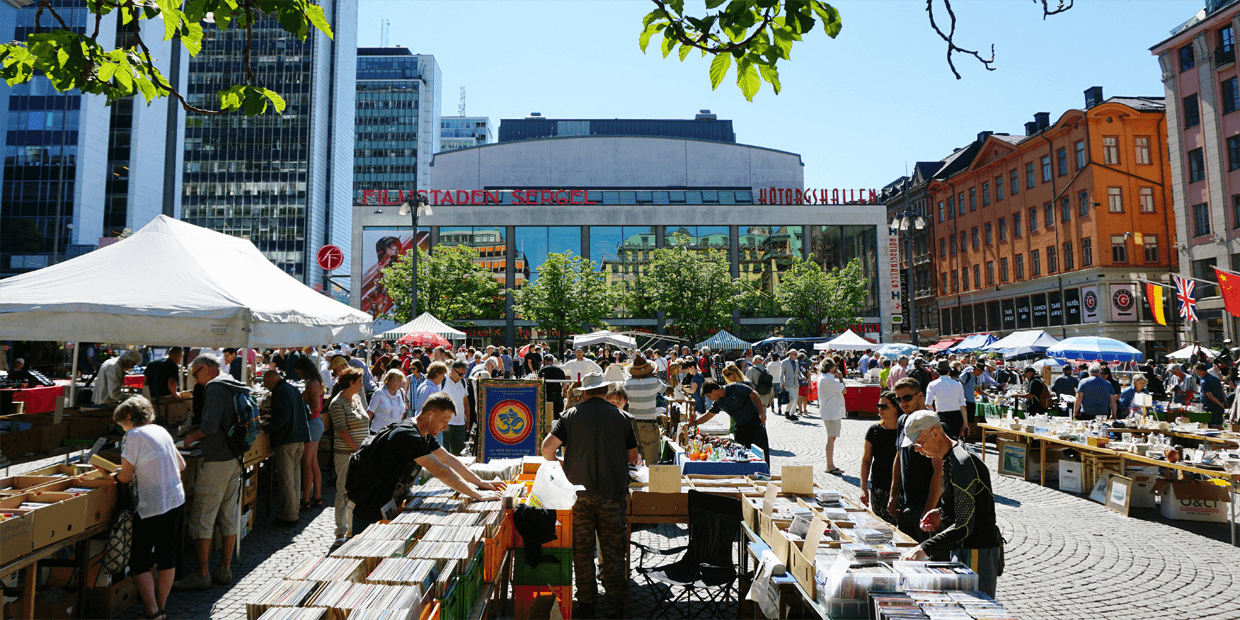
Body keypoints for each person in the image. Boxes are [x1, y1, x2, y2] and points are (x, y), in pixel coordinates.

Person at [541, 372, 639, 620]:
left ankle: (586, 604)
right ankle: (615, 607)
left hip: (579, 495)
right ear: (605, 391)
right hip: (612, 494)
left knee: (582, 553)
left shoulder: (569, 416)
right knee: (614, 552)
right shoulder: (623, 417)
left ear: (583, 392)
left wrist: (562, 462)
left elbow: (546, 449)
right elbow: (632, 458)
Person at [349, 393, 504, 536]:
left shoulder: (425, 435)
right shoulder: (408, 435)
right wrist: (477, 495)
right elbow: (440, 470)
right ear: (431, 414)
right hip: (370, 512)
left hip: (387, 508)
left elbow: (448, 459)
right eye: (444, 421)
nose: (445, 427)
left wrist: (481, 483)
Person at [899, 410, 1002, 597]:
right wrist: (942, 511)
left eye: (919, 443)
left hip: (977, 548)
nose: (916, 449)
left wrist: (924, 548)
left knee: (976, 607)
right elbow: (968, 504)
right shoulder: (950, 458)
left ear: (935, 433)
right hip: (965, 547)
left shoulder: (961, 463)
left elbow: (963, 526)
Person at [174, 353, 249, 591]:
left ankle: (202, 573)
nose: (195, 381)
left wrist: (190, 438)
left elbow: (210, 426)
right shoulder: (234, 383)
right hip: (235, 457)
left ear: (205, 369)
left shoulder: (215, 387)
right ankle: (224, 569)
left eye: (195, 375)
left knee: (202, 516)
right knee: (228, 514)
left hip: (216, 458)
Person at [109, 396, 186, 620]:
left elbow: (125, 476)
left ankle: (152, 612)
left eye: (121, 423)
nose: (122, 428)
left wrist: (112, 474)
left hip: (153, 503)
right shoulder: (161, 430)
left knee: (139, 559)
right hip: (175, 498)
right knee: (166, 555)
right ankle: (160, 609)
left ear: (129, 418)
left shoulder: (133, 435)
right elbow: (181, 464)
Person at [887, 378, 944, 549]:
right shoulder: (903, 420)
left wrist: (928, 510)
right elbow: (899, 456)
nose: (902, 403)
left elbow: (939, 471)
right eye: (898, 399)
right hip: (907, 503)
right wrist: (893, 494)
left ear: (920, 396)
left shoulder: (933, 423)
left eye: (906, 398)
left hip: (927, 505)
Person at [328, 367, 370, 546]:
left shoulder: (357, 398)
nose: (362, 384)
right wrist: (358, 450)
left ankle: (354, 528)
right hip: (346, 454)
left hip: (360, 453)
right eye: (360, 381)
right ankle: (340, 530)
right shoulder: (337, 403)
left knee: (358, 491)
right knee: (343, 491)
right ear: (351, 383)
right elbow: (343, 431)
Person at [263, 369, 309, 527]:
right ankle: (293, 512)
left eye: (265, 383)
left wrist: (267, 428)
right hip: (298, 438)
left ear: (272, 380)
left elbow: (283, 416)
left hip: (287, 440)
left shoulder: (279, 391)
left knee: (287, 480)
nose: (265, 386)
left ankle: (289, 517)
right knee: (295, 478)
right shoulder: (292, 388)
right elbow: (306, 413)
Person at [690, 379, 770, 464]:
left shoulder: (734, 387)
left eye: (709, 396)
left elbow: (754, 395)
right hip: (740, 428)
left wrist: (762, 413)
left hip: (755, 424)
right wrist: (693, 423)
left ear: (714, 391)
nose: (710, 399)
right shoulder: (718, 402)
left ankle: (765, 473)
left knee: (761, 453)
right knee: (740, 456)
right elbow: (708, 415)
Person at [859, 392, 900, 524]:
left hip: (900, 489)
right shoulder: (874, 430)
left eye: (884, 406)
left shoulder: (904, 431)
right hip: (879, 488)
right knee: (881, 527)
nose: (880, 409)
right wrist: (863, 487)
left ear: (896, 407)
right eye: (878, 405)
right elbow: (866, 461)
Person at [292, 357, 324, 510]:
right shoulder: (317, 382)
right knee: (313, 463)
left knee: (307, 463)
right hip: (316, 423)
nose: (299, 375)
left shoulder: (312, 384)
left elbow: (315, 406)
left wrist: (303, 397)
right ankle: (316, 496)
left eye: (299, 372)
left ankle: (305, 499)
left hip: (312, 424)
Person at [624, 355, 667, 465]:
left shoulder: (628, 383)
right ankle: (651, 482)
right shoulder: (654, 381)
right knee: (651, 463)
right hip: (649, 425)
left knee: (633, 463)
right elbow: (667, 390)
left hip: (633, 425)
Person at [818, 359, 846, 475]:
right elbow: (844, 390)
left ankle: (830, 464)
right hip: (832, 412)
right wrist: (840, 378)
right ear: (831, 368)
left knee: (831, 438)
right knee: (831, 438)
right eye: (834, 367)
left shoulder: (823, 377)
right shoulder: (829, 380)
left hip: (829, 410)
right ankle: (830, 465)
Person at [925, 363, 968, 439]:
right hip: (956, 416)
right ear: (948, 371)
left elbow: (928, 404)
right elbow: (962, 405)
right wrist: (966, 423)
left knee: (943, 441)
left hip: (941, 416)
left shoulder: (932, 384)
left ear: (937, 372)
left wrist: (934, 417)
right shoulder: (958, 384)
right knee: (955, 440)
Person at [441, 361, 470, 454]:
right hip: (445, 424)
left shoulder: (463, 382)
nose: (462, 377)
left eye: (464, 374)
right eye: (461, 374)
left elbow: (466, 403)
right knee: (444, 453)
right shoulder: (442, 381)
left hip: (460, 424)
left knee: (459, 454)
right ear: (452, 370)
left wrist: (467, 421)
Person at [368, 368, 408, 434]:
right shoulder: (379, 393)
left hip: (395, 432)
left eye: (402, 380)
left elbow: (404, 413)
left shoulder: (401, 392)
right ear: (391, 381)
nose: (401, 383)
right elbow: (370, 412)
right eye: (399, 380)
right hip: (378, 432)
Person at [538, 354, 567, 419]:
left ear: (545, 361)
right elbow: (565, 385)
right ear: (553, 361)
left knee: (547, 416)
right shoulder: (559, 370)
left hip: (546, 395)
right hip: (557, 395)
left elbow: (539, 383)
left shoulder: (542, 370)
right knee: (558, 415)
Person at [779, 350, 801, 422]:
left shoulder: (796, 362)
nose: (796, 355)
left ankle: (792, 414)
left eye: (796, 354)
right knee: (793, 398)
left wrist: (802, 377)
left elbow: (798, 372)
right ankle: (787, 411)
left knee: (795, 399)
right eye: (795, 354)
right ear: (790, 354)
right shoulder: (784, 362)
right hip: (788, 383)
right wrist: (782, 382)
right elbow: (781, 373)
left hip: (796, 383)